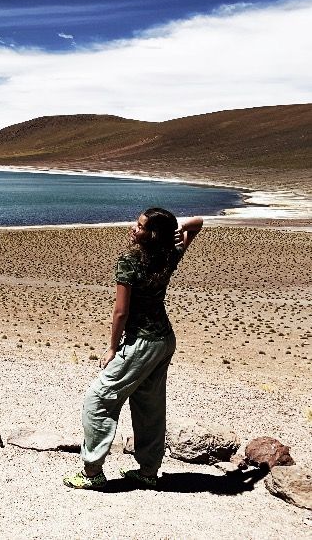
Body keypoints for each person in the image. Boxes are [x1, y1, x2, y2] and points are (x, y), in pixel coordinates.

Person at [63, 207, 203, 489]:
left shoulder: (130, 260)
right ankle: (148, 472)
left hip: (140, 342)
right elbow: (198, 224)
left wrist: (112, 347)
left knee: (99, 399)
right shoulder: (169, 253)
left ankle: (93, 473)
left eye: (140, 227)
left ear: (150, 235)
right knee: (149, 405)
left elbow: (120, 312)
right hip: (164, 341)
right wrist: (174, 232)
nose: (133, 229)